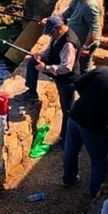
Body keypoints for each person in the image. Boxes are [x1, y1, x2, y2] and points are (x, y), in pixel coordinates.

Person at [62, 61, 108, 197]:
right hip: (95, 126)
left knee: (71, 149)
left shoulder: (102, 70)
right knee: (99, 161)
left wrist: (88, 99)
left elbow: (78, 84)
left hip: (76, 114)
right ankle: (95, 194)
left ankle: (68, 179)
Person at [24, 16, 80, 144]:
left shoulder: (68, 43)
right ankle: (31, 92)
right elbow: (51, 50)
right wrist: (41, 56)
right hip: (57, 70)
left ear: (59, 28)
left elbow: (66, 67)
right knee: (33, 62)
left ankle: (66, 139)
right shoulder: (57, 36)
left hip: (67, 79)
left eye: (51, 32)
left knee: (67, 110)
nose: (50, 35)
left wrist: (46, 68)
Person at [54, 0, 101, 74]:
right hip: (74, 40)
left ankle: (87, 85)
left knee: (84, 68)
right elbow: (69, 12)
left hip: (84, 43)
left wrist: (86, 47)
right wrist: (53, 20)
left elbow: (94, 29)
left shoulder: (90, 7)